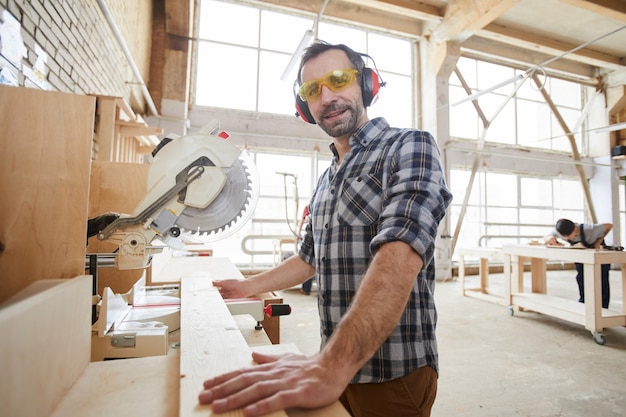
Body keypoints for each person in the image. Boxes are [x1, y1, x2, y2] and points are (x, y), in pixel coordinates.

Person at [198, 41, 452, 417]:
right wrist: (248, 287)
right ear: (304, 106)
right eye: (312, 90)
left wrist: (331, 364)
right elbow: (308, 257)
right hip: (333, 362)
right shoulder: (327, 178)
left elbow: (401, 251)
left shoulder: (409, 146)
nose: (327, 96)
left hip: (391, 372)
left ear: (366, 84)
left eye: (338, 79)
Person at [545, 218, 612, 308]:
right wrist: (550, 239)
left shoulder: (590, 229)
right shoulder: (560, 231)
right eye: (564, 236)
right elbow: (547, 236)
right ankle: (584, 302)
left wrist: (598, 242)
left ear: (575, 229)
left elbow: (609, 225)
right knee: (581, 277)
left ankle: (603, 306)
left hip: (598, 253)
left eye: (568, 235)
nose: (566, 238)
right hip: (582, 252)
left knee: (601, 279)